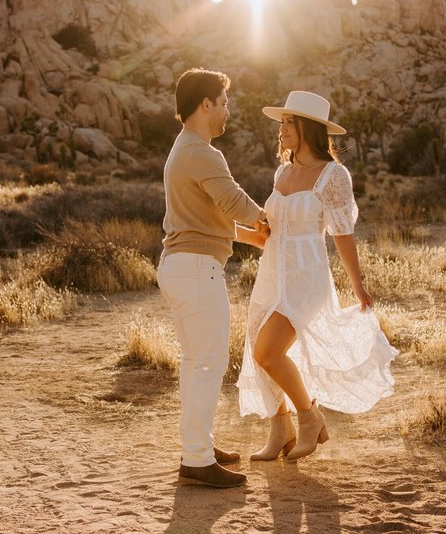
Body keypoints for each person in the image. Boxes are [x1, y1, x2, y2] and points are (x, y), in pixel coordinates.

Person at [237, 91, 398, 461]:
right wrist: (224, 228)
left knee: (269, 350)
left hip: (307, 277)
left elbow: (342, 234)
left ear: (308, 128)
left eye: (289, 123)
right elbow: (269, 232)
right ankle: (280, 431)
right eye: (282, 123)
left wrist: (357, 286)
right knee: (257, 350)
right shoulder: (283, 172)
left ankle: (309, 418)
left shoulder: (333, 175)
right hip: (272, 273)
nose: (282, 130)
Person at [158, 68, 269, 488]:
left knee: (195, 364)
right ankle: (198, 458)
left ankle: (197, 446)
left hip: (182, 266)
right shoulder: (203, 152)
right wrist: (273, 219)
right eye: (223, 102)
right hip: (197, 271)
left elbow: (209, 218)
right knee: (208, 364)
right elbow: (233, 201)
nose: (228, 111)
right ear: (205, 104)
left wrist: (250, 238)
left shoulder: (183, 148)